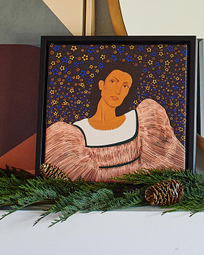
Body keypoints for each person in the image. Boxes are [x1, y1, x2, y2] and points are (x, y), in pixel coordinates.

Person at [43, 62, 185, 181]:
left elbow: (167, 166)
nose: (118, 90)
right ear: (101, 85)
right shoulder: (73, 134)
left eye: (125, 86)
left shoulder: (144, 121)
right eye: (113, 82)